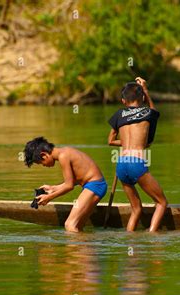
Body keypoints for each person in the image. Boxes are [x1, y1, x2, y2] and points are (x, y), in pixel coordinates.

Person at [107, 77, 167, 232]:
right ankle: (152, 236)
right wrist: (145, 90)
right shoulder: (148, 112)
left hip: (121, 165)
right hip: (136, 163)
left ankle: (130, 241)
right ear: (141, 98)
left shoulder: (119, 114)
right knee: (161, 203)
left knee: (136, 209)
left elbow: (111, 141)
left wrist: (128, 143)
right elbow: (154, 110)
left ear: (123, 101)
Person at [23, 136, 107, 232]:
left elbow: (69, 186)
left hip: (95, 186)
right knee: (78, 226)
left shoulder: (63, 156)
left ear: (44, 155)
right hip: (95, 185)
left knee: (69, 224)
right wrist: (53, 188)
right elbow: (73, 181)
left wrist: (49, 198)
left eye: (41, 163)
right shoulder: (65, 152)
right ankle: (84, 246)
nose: (44, 165)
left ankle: (71, 247)